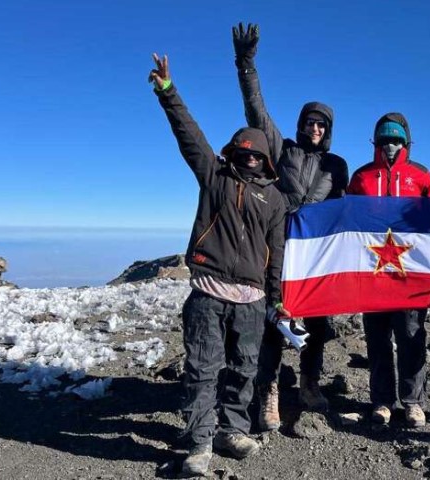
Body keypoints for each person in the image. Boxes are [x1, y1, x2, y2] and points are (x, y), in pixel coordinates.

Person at [149, 53, 288, 476]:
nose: (250, 158)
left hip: (252, 300)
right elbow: (189, 134)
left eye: (257, 154)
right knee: (202, 369)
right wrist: (168, 92)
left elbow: (276, 253)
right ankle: (199, 441)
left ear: (266, 159)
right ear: (233, 152)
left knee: (245, 369)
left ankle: (233, 429)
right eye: (244, 152)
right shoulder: (214, 176)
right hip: (208, 294)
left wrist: (277, 299)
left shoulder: (274, 199)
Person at [231, 23, 350, 430]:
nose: (315, 128)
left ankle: (309, 384)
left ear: (328, 130)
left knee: (317, 323)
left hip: (317, 256)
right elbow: (257, 112)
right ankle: (269, 391)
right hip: (280, 250)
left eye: (322, 125)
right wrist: (246, 64)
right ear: (302, 124)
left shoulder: (337, 166)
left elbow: (346, 210)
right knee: (274, 323)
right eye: (310, 122)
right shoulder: (283, 150)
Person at [347, 113, 430, 427]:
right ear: (375, 142)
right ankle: (382, 401)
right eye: (384, 139)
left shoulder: (420, 175)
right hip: (372, 272)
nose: (390, 145)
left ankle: (413, 402)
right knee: (377, 339)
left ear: (406, 142)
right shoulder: (361, 177)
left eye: (396, 139)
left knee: (411, 337)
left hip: (409, 275)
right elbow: (348, 219)